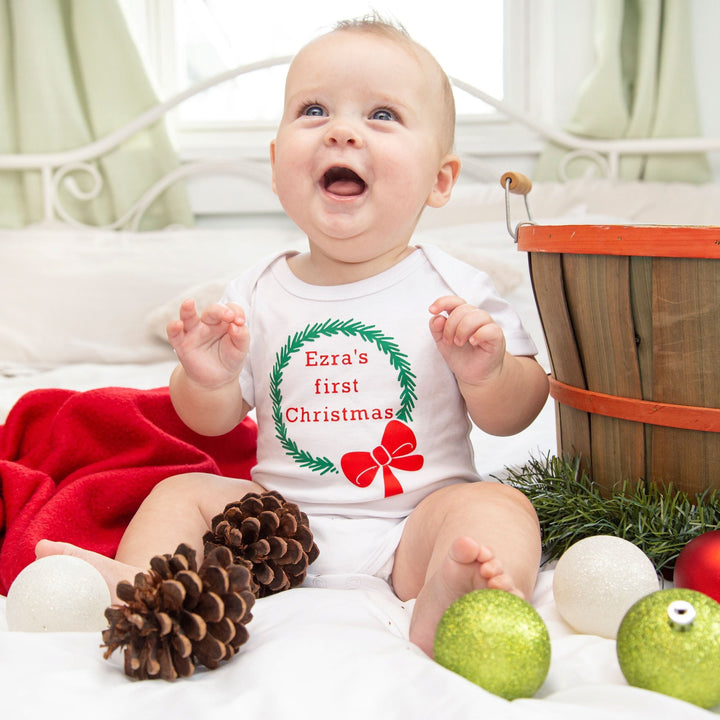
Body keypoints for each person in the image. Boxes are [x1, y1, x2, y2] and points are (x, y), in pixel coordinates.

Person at [37, 15, 548, 659]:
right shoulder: (255, 290)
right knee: (179, 493)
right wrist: (207, 379)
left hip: (413, 524)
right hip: (274, 533)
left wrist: (491, 374)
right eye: (314, 109)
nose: (342, 129)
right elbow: (214, 423)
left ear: (440, 180)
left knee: (501, 508)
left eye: (383, 115)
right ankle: (151, 589)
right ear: (279, 164)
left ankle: (457, 601)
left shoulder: (457, 286)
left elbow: (519, 412)